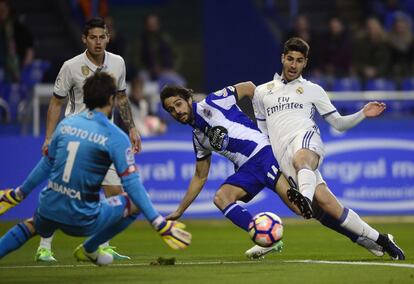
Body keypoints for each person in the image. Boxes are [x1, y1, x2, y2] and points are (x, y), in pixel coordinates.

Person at [160, 83, 386, 260]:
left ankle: (361, 237)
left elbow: (249, 87)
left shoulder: (214, 101)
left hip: (264, 154)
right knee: (221, 197)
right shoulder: (198, 138)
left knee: (304, 209)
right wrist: (180, 210)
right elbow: (200, 176)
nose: (177, 111)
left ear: (189, 99)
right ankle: (265, 237)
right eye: (171, 109)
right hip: (247, 170)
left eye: (178, 104)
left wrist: (265, 122)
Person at [0, 72, 191, 265]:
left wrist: (19, 193)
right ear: (111, 99)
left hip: (49, 208)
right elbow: (132, 184)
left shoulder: (66, 124)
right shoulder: (116, 136)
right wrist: (159, 223)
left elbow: (46, 164)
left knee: (31, 225)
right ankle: (90, 248)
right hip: (82, 219)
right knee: (135, 202)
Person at [251, 37, 405, 260]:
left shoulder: (313, 90)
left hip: (306, 139)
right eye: (290, 59)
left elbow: (339, 124)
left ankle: (303, 197)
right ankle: (380, 239)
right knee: (329, 209)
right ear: (282, 58)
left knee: (301, 159)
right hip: (283, 156)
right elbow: (263, 132)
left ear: (305, 63)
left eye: (299, 61)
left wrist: (362, 113)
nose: (294, 65)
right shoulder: (262, 92)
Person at [39, 17, 141, 262]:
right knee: (60, 193)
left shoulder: (118, 63)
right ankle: (44, 246)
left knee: (115, 192)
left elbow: (122, 98)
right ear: (84, 39)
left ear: (108, 37)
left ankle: (100, 246)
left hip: (105, 139)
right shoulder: (71, 66)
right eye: (93, 37)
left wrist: (132, 128)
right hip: (75, 138)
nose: (98, 42)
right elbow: (56, 102)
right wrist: (49, 137)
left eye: (102, 37)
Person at [0, 0, 35, 82]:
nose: (1, 14)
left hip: (13, 68)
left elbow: (29, 45)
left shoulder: (16, 27)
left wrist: (26, 62)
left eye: (2, 11)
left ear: (8, 10)